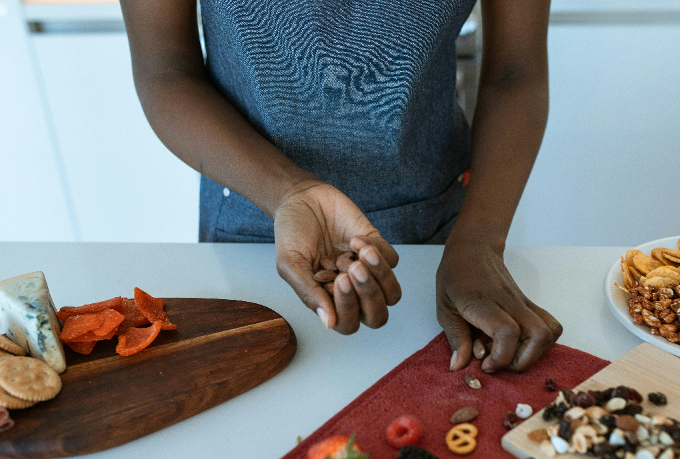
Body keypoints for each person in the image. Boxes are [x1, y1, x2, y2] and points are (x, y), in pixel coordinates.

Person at [120, 0, 562, 372]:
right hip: (252, 226)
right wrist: (289, 193)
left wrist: (479, 241)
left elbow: (515, 72)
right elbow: (165, 70)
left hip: (443, 235)